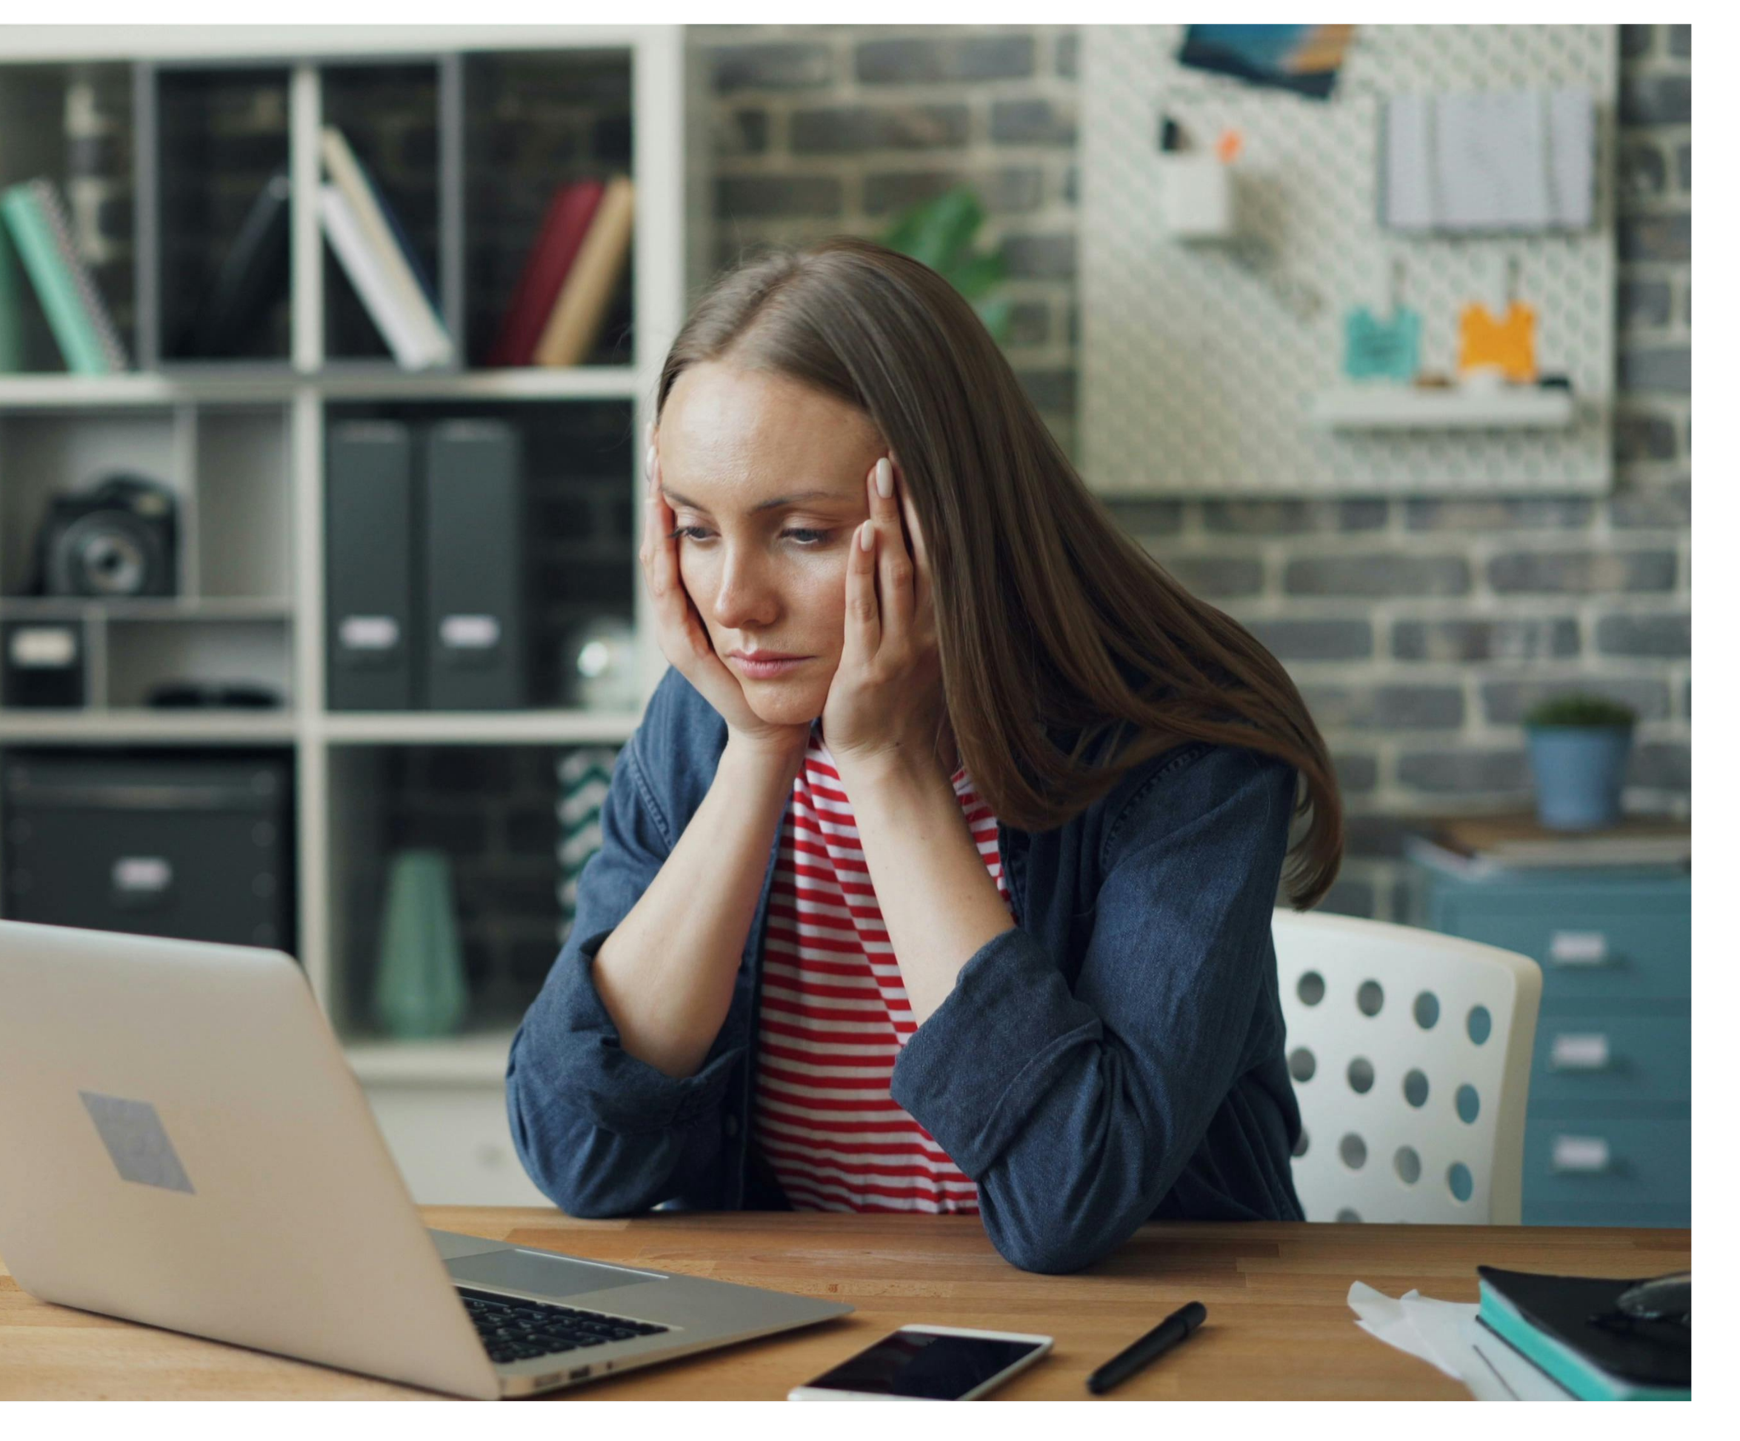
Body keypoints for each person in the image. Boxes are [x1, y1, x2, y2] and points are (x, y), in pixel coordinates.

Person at [507, 238, 1340, 1274]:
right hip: (814, 1327)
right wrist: (757, 752)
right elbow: (577, 1153)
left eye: (802, 534)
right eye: (693, 529)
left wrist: (890, 768)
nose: (732, 605)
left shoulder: (1182, 751)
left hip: (1144, 1344)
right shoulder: (712, 719)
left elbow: (1065, 1198)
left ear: (952, 516)